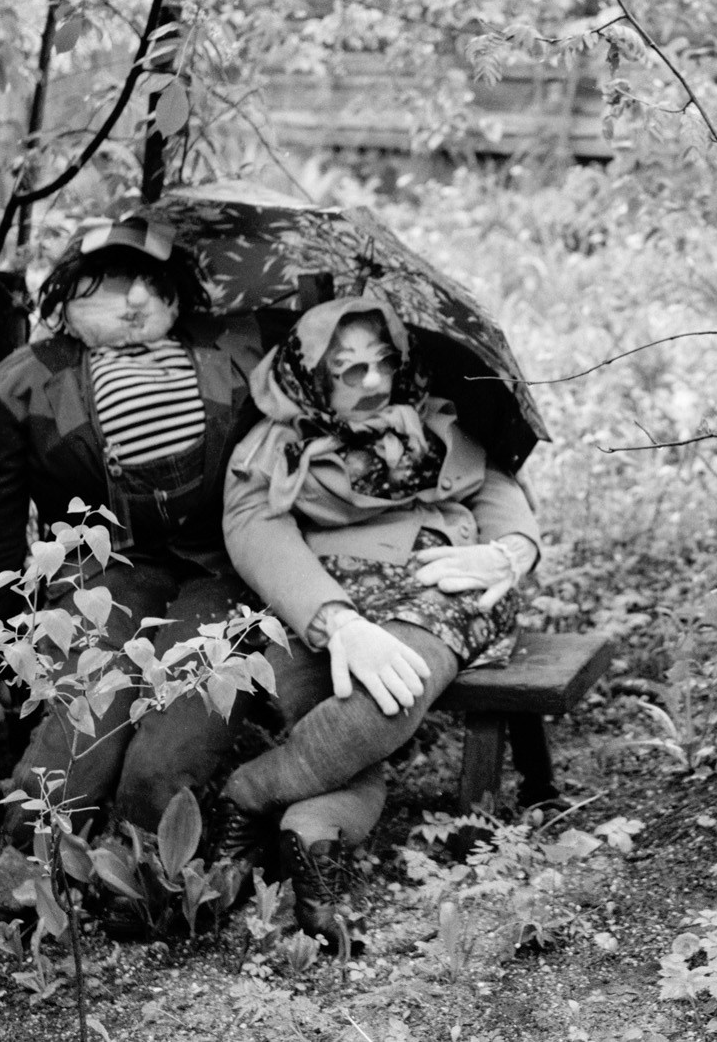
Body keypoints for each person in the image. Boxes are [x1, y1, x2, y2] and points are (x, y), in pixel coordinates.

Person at [0, 216, 272, 905]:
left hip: (222, 568)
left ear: (178, 297)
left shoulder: (237, 349)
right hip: (105, 573)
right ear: (67, 297)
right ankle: (33, 857)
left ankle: (148, 869)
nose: (136, 300)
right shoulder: (28, 380)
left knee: (173, 734)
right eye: (112, 283)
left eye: (153, 284)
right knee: (86, 704)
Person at [219, 294, 540, 953]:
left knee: (396, 682)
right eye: (347, 369)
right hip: (332, 599)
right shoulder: (277, 441)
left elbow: (497, 487)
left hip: (439, 583)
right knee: (326, 705)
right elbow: (254, 526)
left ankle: (249, 795)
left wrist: (509, 551)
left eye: (381, 363)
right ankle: (311, 837)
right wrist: (335, 620)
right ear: (311, 373)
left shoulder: (431, 421)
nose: (371, 383)